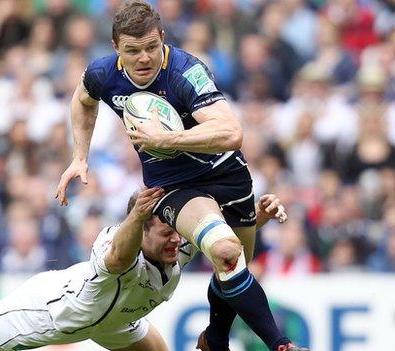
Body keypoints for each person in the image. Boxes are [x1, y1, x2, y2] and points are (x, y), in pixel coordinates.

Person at [54, 2, 307, 351]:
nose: (144, 58)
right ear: (116, 49)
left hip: (229, 177)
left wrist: (166, 139)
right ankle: (281, 345)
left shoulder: (186, 72)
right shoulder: (102, 73)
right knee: (226, 250)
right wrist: (79, 156)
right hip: (173, 186)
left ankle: (214, 339)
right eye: (132, 51)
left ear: (162, 39)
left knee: (232, 267)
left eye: (151, 48)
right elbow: (83, 99)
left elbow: (231, 132)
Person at [0, 190, 286, 351]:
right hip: (58, 312)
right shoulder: (118, 243)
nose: (176, 241)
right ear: (141, 227)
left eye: (177, 233)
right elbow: (120, 255)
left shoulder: (177, 242)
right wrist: (136, 217)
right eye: (164, 233)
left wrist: (257, 217)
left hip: (117, 322)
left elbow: (218, 239)